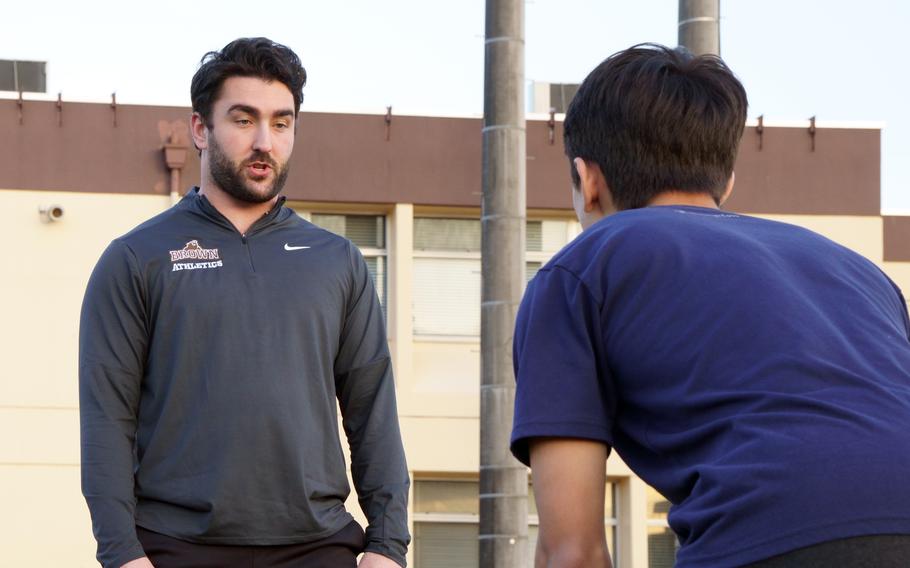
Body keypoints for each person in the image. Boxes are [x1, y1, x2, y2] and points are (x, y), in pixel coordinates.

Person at [510, 43, 910, 567]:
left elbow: (574, 552)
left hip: (773, 535)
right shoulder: (860, 273)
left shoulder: (580, 270)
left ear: (588, 181)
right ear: (726, 182)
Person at [79, 37, 409, 568]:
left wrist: (389, 546)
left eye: (281, 123)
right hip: (174, 546)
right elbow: (106, 420)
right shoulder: (136, 258)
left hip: (318, 545)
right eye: (243, 119)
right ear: (200, 130)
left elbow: (372, 411)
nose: (264, 141)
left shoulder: (338, 260)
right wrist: (120, 553)